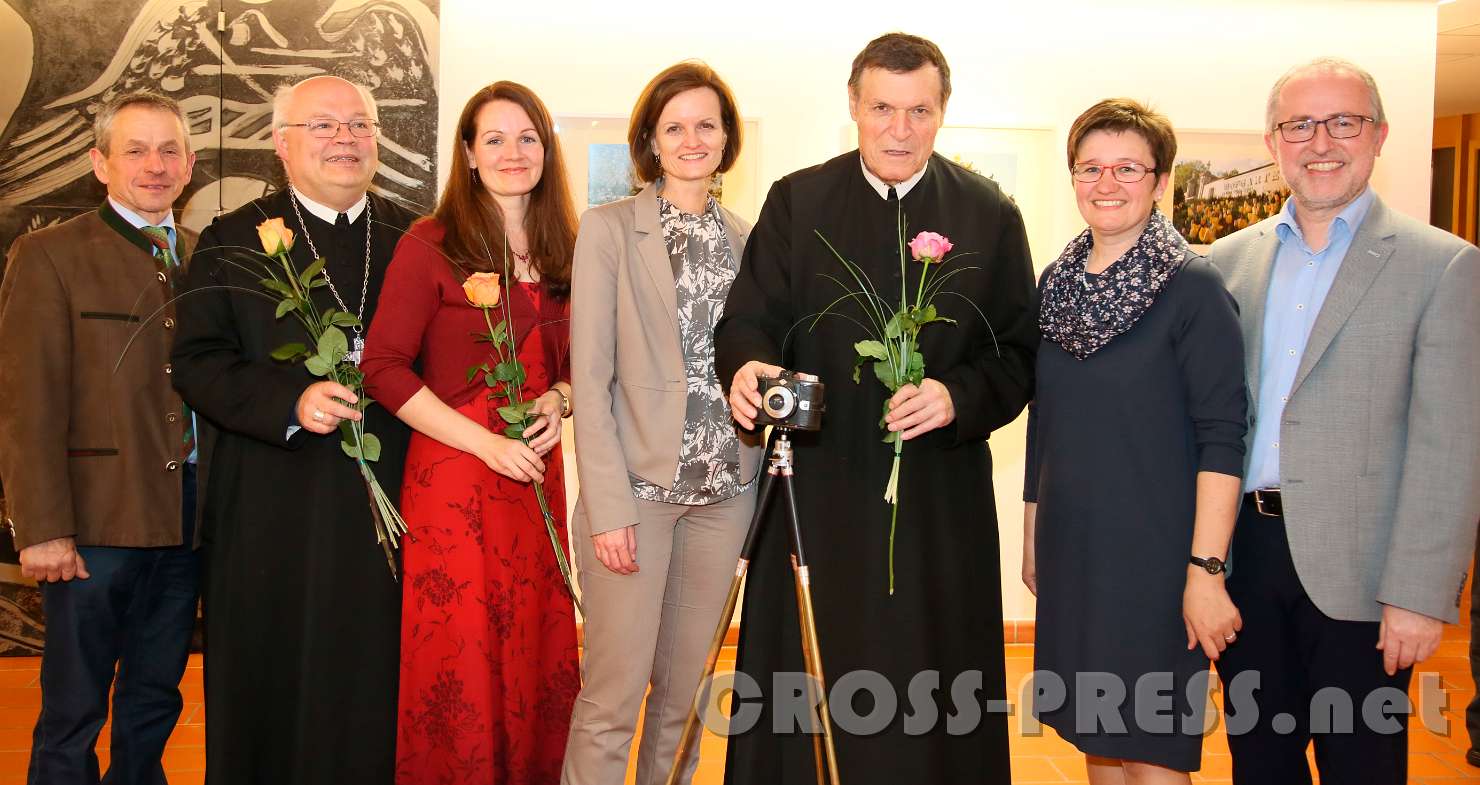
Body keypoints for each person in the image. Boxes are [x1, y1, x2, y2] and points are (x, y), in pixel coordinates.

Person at [717, 33, 1038, 784]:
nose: (900, 129)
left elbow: (1021, 355)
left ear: (942, 112)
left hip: (936, 500)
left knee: (929, 679)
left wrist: (957, 395)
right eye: (883, 109)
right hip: (816, 491)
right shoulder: (798, 200)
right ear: (854, 107)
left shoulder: (990, 213)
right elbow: (746, 322)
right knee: (801, 679)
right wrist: (745, 368)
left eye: (919, 111)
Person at [1209, 57, 1480, 785]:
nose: (1320, 140)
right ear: (1273, 140)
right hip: (1247, 565)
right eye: (1299, 124)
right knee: (1259, 764)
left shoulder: (1445, 266)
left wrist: (1419, 594)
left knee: (1362, 766)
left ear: (1379, 134)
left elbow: (1450, 447)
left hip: (1366, 582)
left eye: (1343, 121)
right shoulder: (1226, 264)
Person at [171, 75, 417, 785]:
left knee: (379, 677)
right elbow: (196, 361)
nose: (346, 138)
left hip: (393, 507)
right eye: (323, 126)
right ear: (281, 143)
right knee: (273, 680)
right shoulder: (233, 239)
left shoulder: (417, 236)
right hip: (271, 510)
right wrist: (291, 401)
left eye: (360, 125)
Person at [359, 80, 579, 785]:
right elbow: (383, 368)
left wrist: (560, 399)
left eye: (528, 138)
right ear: (468, 153)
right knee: (462, 654)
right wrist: (483, 441)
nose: (513, 153)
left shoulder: (567, 247)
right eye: (495, 139)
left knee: (537, 650)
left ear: (547, 149)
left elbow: (581, 368)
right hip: (456, 476)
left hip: (537, 477)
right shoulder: (431, 245)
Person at [1022, 99, 1246, 784]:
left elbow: (1223, 436)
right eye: (1090, 167)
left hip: (1155, 562)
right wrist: (1033, 531)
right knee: (1100, 739)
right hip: (1075, 550)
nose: (1107, 182)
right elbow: (1045, 420)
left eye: (1127, 167)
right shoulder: (1056, 285)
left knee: (1152, 749)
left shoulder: (1194, 288)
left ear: (1159, 180)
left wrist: (1206, 572)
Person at [562, 62, 761, 785]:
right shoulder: (609, 229)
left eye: (707, 124)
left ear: (726, 137)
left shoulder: (749, 237)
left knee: (684, 703)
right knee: (613, 697)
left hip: (725, 497)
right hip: (636, 499)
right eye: (674, 125)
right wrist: (608, 506)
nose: (691, 138)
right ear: (649, 138)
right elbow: (590, 377)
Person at [0, 90, 199, 785]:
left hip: (187, 520)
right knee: (73, 707)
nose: (155, 164)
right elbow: (27, 403)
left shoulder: (206, 260)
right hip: (91, 526)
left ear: (190, 163)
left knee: (155, 696)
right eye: (135, 149)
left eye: (169, 149)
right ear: (99, 163)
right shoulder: (49, 255)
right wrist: (42, 527)